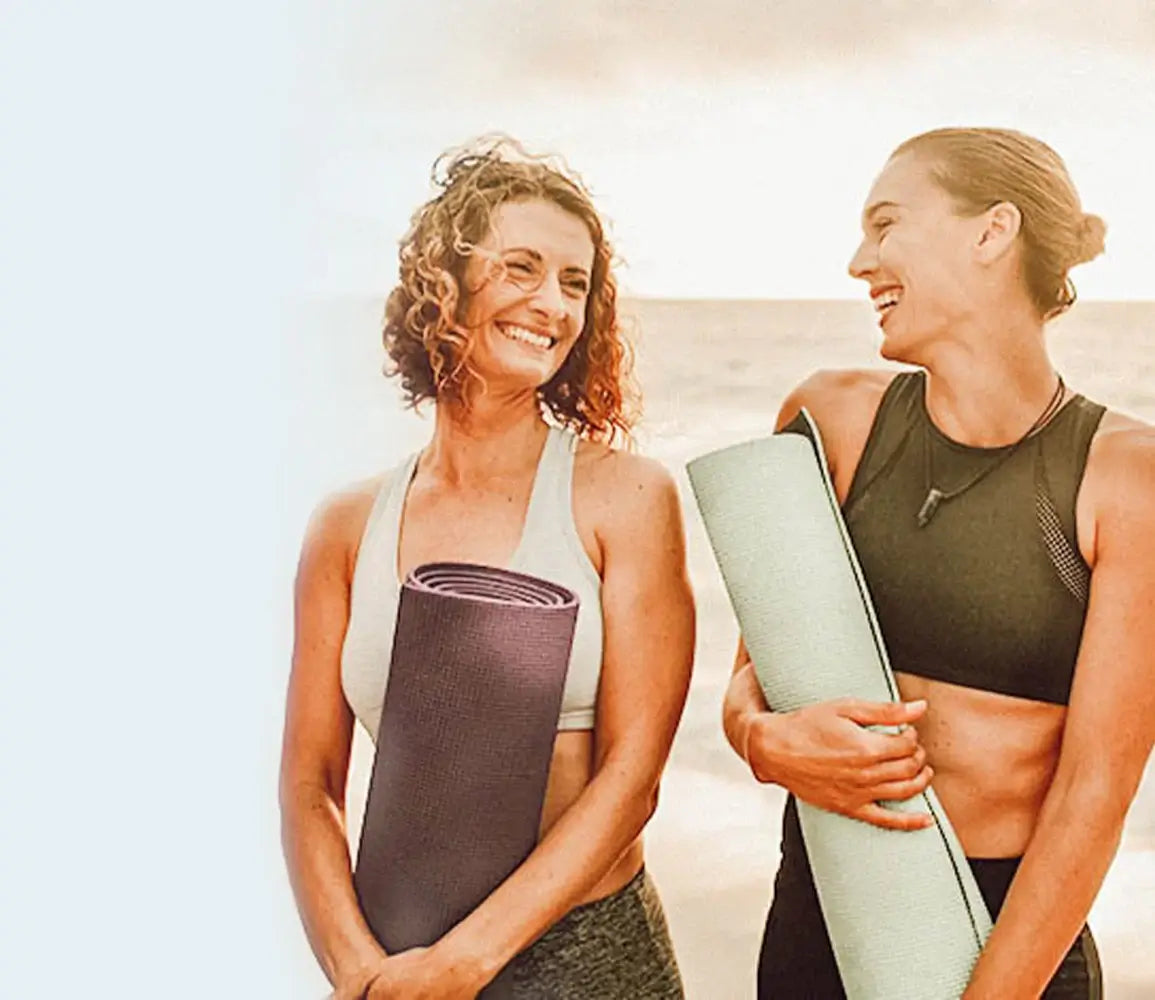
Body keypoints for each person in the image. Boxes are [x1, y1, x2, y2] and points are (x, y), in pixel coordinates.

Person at [722, 127, 1155, 998]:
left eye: (885, 226)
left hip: (1014, 948)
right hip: (816, 920)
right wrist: (763, 741)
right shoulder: (829, 420)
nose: (858, 261)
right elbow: (749, 683)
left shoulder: (1126, 479)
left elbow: (1092, 797)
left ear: (990, 233)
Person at [280, 137, 695, 1000]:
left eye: (574, 284)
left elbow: (632, 778)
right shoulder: (347, 527)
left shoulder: (623, 500)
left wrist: (466, 964)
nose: (551, 304)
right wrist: (357, 968)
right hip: (392, 953)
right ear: (446, 284)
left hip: (585, 957)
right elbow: (310, 784)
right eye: (521, 268)